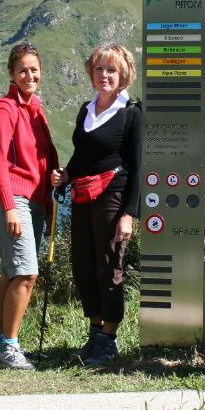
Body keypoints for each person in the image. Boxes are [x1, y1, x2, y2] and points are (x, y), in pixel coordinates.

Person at [51, 43, 141, 366]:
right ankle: (95, 333)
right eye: (99, 69)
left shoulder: (131, 113)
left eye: (111, 70)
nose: (104, 75)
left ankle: (109, 340)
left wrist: (129, 214)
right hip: (82, 197)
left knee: (109, 267)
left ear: (123, 75)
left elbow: (138, 167)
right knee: (83, 266)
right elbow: (82, 155)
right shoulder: (85, 110)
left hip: (112, 198)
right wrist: (66, 175)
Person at [0, 42, 59, 370]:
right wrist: (9, 207)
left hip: (35, 200)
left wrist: (54, 176)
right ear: (12, 74)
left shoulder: (36, 110)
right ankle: (10, 347)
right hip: (12, 199)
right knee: (26, 273)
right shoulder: (5, 109)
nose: (29, 76)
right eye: (22, 70)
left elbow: (38, 159)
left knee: (10, 273)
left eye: (34, 70)